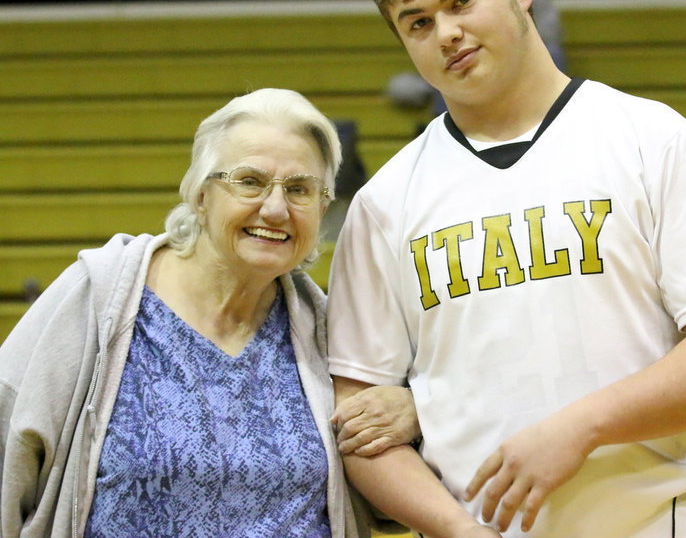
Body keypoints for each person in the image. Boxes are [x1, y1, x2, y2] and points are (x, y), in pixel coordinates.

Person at [327, 0, 686, 538]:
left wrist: (581, 425)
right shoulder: (383, 203)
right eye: (418, 23)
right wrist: (458, 531)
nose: (447, 33)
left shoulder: (652, 139)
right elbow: (362, 425)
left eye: (461, 1)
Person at [0, 88, 417, 538]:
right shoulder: (98, 298)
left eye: (300, 189)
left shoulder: (331, 333)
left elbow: (388, 508)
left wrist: (417, 412)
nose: (276, 209)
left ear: (322, 208)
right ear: (201, 194)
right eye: (250, 181)